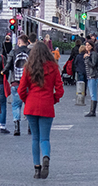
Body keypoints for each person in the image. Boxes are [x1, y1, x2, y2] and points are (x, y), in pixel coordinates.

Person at [19, 42, 64, 180]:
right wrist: (54, 99)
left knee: (35, 138)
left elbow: (21, 89)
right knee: (45, 138)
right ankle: (46, 157)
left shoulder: (29, 68)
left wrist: (27, 100)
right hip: (46, 105)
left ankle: (37, 168)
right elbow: (60, 89)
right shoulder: (54, 68)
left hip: (31, 105)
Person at [4, 34, 31, 136]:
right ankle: (30, 127)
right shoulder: (31, 52)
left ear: (19, 42)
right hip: (28, 83)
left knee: (16, 105)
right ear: (27, 42)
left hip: (15, 82)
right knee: (28, 104)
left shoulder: (13, 52)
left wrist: (3, 72)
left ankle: (17, 127)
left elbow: (7, 66)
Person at [83, 40, 98, 117]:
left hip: (93, 76)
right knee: (91, 93)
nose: (87, 47)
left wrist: (87, 59)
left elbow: (93, 64)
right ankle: (92, 111)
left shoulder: (93, 54)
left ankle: (92, 111)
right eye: (86, 45)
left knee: (93, 93)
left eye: (88, 45)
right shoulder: (88, 54)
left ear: (92, 46)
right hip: (90, 75)